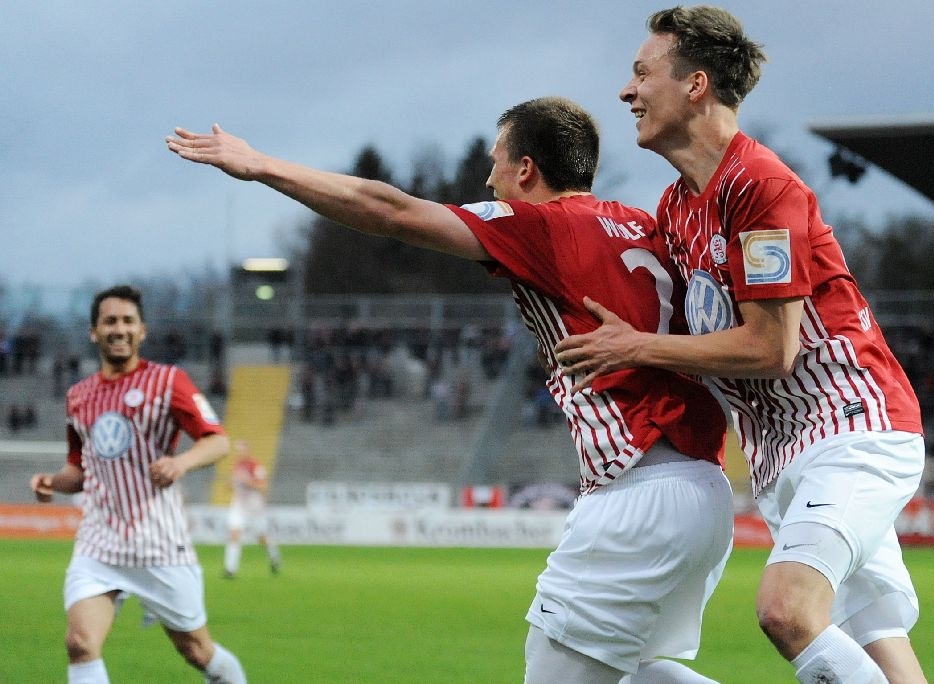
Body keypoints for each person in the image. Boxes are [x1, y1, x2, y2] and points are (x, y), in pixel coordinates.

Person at [167, 97, 734, 684]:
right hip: (704, 489)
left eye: (496, 161)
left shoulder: (541, 224)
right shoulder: (642, 223)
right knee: (632, 672)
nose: (488, 178)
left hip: (639, 492)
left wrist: (262, 165)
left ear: (526, 170)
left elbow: (389, 210)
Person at [554, 7, 926, 683]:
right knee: (877, 643)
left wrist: (634, 348)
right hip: (781, 457)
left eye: (642, 73)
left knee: (787, 610)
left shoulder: (759, 186)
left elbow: (770, 348)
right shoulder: (676, 207)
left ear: (695, 84)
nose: (627, 91)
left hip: (852, 430)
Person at [30, 285, 246, 684]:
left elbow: (218, 441)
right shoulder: (78, 397)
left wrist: (180, 463)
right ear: (94, 331)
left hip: (159, 543)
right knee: (80, 643)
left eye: (128, 321)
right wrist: (52, 482)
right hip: (99, 544)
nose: (120, 329)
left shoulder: (169, 382)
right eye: (110, 321)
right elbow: (80, 470)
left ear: (142, 331)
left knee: (197, 651)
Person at [223, 439, 282, 578]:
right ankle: (230, 569)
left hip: (255, 508)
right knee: (234, 534)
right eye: (237, 451)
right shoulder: (236, 466)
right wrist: (230, 484)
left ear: (247, 451)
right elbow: (232, 486)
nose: (239, 453)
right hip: (239, 507)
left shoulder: (256, 466)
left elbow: (263, 486)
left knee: (261, 538)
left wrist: (247, 482)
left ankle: (274, 556)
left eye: (241, 450)